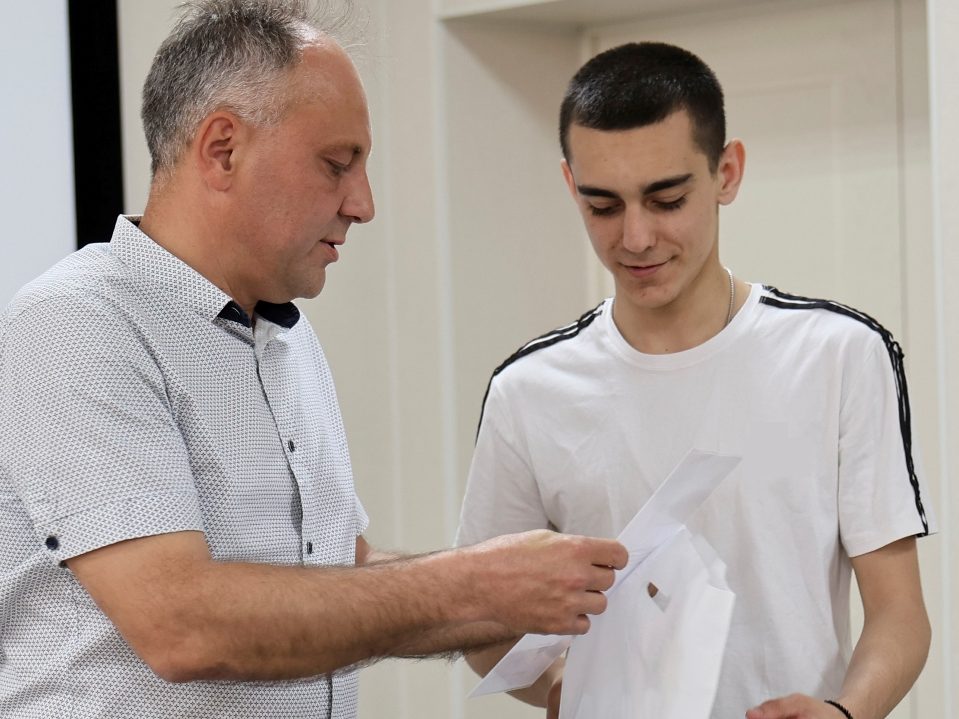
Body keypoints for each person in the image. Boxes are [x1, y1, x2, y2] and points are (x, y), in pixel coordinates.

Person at [0, 2, 628, 717]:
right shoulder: (80, 322)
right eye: (336, 164)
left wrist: (533, 610)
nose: (363, 204)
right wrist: (475, 584)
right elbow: (181, 622)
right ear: (222, 150)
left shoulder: (284, 335)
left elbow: (335, 574)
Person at [457, 41, 935, 719]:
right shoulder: (527, 390)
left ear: (726, 172)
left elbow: (899, 613)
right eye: (602, 206)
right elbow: (483, 624)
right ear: (570, 185)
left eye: (666, 199)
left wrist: (843, 712)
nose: (636, 237)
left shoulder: (840, 355)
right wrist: (573, 689)